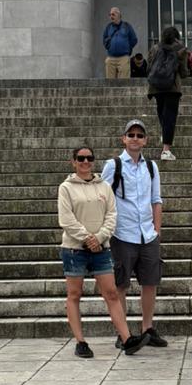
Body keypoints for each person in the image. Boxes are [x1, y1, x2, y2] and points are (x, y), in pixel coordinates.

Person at [57, 143, 144, 358]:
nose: (85, 162)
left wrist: (99, 238)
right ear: (74, 161)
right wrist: (87, 238)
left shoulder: (104, 186)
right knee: (74, 294)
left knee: (111, 293)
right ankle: (80, 341)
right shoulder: (66, 188)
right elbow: (66, 219)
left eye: (89, 158)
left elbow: (112, 215)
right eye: (81, 158)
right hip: (74, 249)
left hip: (101, 247)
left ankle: (126, 338)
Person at [102, 119, 168, 348]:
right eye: (131, 135)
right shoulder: (114, 165)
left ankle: (147, 328)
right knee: (121, 284)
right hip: (123, 233)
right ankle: (124, 332)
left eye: (140, 135)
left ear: (145, 140)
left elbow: (156, 200)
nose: (135, 139)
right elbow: (104, 197)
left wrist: (157, 230)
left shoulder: (151, 167)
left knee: (150, 282)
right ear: (124, 138)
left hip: (147, 234)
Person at [146, 24, 185, 161]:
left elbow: (149, 67)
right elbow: (184, 71)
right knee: (170, 117)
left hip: (156, 87)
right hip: (172, 87)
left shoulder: (155, 48)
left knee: (162, 113)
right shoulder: (180, 49)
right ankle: (166, 150)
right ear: (176, 38)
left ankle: (165, 135)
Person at [102, 6, 137, 81]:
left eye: (113, 14)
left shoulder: (127, 26)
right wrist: (109, 47)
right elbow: (104, 39)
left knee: (124, 82)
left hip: (123, 58)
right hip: (111, 58)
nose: (111, 16)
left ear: (118, 15)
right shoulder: (108, 27)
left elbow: (134, 39)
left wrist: (127, 48)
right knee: (110, 83)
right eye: (110, 15)